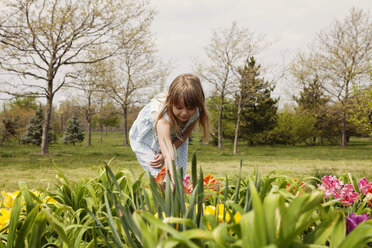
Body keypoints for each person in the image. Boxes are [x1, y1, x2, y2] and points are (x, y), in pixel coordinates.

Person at [129, 73, 210, 183]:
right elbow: (168, 153)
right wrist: (171, 178)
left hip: (175, 141)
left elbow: (184, 136)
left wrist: (173, 178)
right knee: (161, 180)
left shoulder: (196, 112)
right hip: (147, 140)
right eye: (179, 107)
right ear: (170, 102)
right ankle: (162, 198)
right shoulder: (162, 117)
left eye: (190, 108)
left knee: (179, 180)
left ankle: (176, 198)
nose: (185, 113)